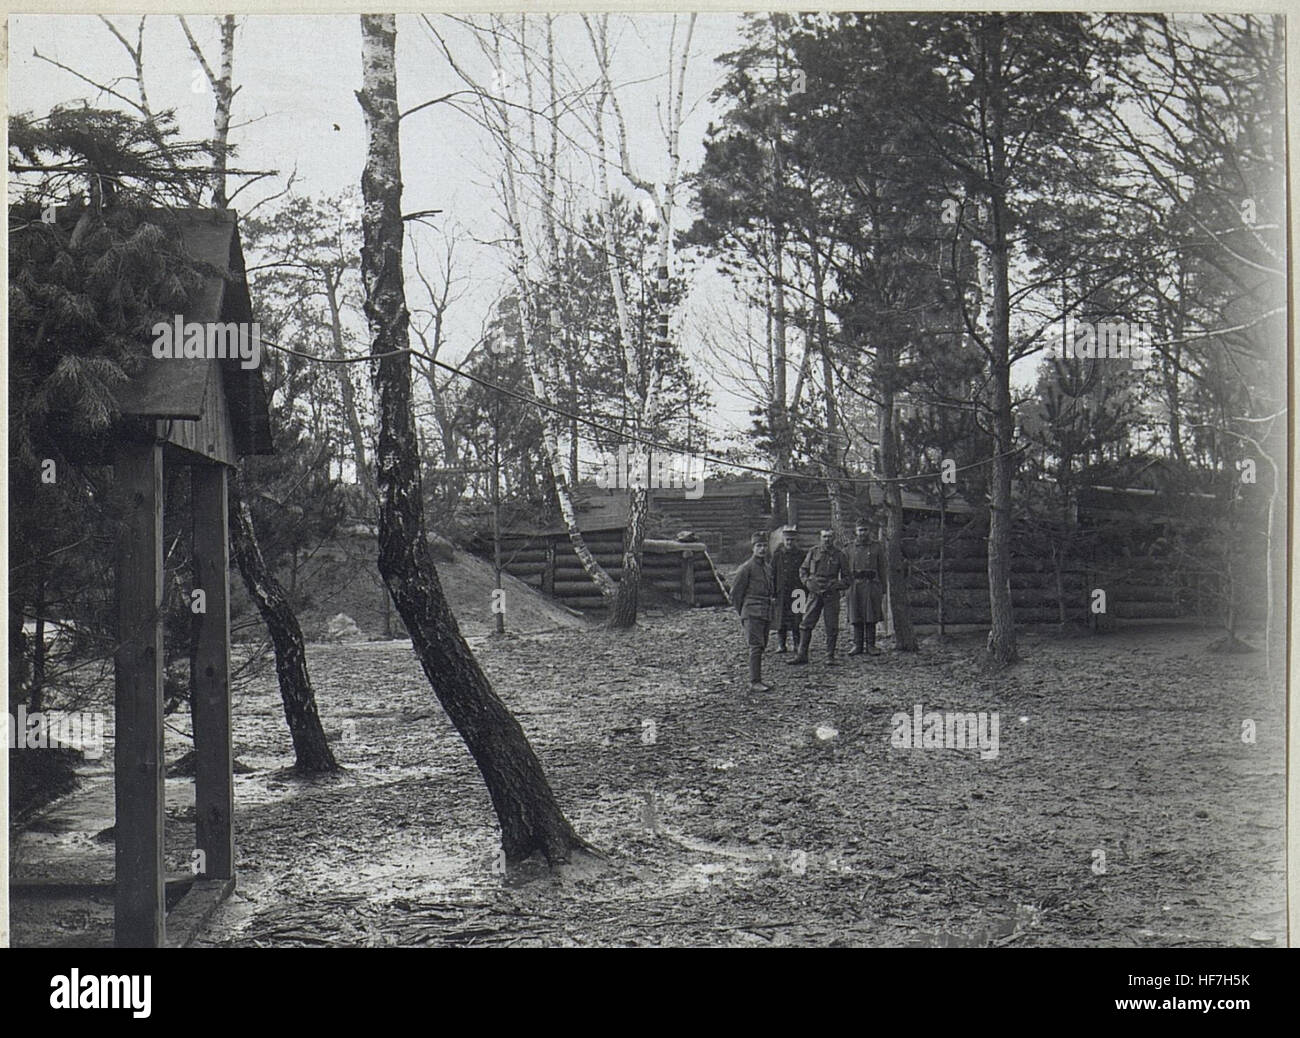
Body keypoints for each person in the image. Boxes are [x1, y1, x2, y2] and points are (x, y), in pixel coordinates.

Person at [788, 528, 849, 666]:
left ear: (834, 538)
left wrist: (836, 585)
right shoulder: (813, 552)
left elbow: (847, 578)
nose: (827, 539)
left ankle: (830, 656)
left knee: (831, 625)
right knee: (806, 623)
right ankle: (802, 654)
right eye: (824, 537)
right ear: (820, 538)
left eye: (829, 537)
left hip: (831, 594)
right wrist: (807, 582)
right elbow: (803, 570)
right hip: (814, 592)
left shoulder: (840, 555)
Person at [729, 532, 775, 693]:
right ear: (753, 548)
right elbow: (735, 594)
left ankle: (759, 678)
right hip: (752, 612)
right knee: (755, 647)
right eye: (758, 546)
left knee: (762, 646)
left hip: (765, 611)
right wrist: (744, 612)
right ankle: (754, 681)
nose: (762, 549)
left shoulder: (767, 568)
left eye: (764, 545)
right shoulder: (746, 568)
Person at [846, 518, 888, 656]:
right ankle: (857, 645)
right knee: (856, 615)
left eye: (865, 530)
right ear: (855, 531)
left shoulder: (877, 547)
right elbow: (844, 569)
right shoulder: (849, 548)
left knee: (871, 616)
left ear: (869, 531)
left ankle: (871, 645)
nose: (862, 533)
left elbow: (882, 568)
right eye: (860, 530)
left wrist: (883, 588)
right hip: (855, 586)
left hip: (871, 585)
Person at [770, 525, 803, 653]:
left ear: (796, 541)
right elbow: (772, 573)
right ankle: (781, 644)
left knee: (797, 618)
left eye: (792, 540)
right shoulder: (777, 555)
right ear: (783, 540)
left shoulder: (801, 554)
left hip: (798, 591)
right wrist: (773, 591)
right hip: (781, 591)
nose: (789, 542)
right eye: (787, 540)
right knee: (780, 618)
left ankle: (797, 643)